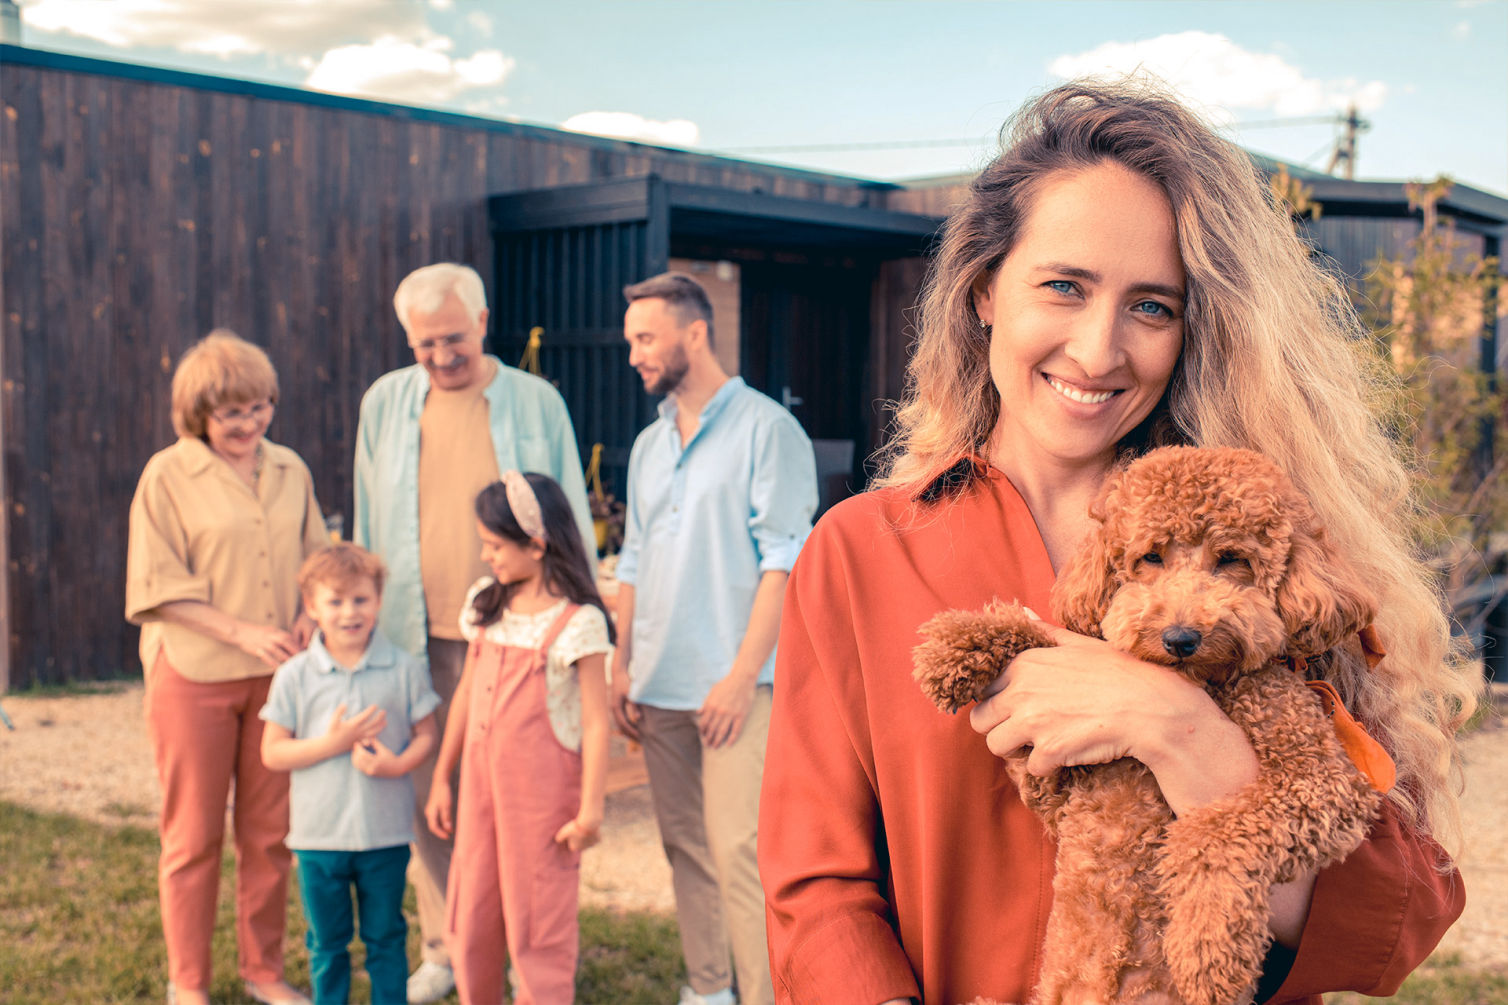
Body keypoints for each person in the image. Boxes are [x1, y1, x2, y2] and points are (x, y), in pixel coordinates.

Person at [758, 78, 1475, 1005]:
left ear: (1193, 329)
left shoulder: (1261, 551)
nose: (1099, 351)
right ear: (983, 291)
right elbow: (816, 890)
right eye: (1064, 286)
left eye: (1152, 306)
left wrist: (1183, 732)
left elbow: (1403, 917)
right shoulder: (858, 551)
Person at [353, 262, 596, 1003]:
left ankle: (531, 947)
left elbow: (568, 513)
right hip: (412, 629)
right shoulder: (385, 402)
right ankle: (448, 943)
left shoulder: (537, 399)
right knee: (437, 790)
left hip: (520, 632)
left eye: (452, 338)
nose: (439, 355)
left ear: (484, 321)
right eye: (424, 343)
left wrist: (584, 608)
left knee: (526, 802)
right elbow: (367, 512)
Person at [611, 272, 818, 1005]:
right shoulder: (647, 444)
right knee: (686, 848)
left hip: (740, 684)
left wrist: (740, 675)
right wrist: (619, 660)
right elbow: (633, 557)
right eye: (630, 337)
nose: (632, 352)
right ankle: (708, 989)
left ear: (692, 334)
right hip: (657, 680)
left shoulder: (769, 430)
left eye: (644, 337)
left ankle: (765, 995)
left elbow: (784, 561)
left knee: (740, 851)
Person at [125, 330, 328, 1005]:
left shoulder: (290, 469)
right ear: (198, 414)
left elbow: (315, 559)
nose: (248, 423)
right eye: (231, 412)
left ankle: (262, 969)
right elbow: (156, 585)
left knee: (270, 835)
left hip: (277, 680)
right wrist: (241, 630)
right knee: (193, 835)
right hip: (193, 673)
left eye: (259, 406)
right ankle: (188, 981)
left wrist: (311, 609)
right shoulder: (167, 475)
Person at [423, 472, 614, 1005]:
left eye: (495, 545)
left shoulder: (577, 623)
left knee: (539, 921)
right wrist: (443, 777)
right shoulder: (487, 604)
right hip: (480, 797)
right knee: (473, 909)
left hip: (542, 806)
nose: (486, 557)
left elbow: (597, 723)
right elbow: (465, 693)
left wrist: (591, 811)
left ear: (537, 543)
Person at [260, 543, 441, 1005]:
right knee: (327, 944)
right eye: (335, 601)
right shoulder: (295, 676)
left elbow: (427, 734)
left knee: (386, 938)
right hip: (319, 839)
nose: (349, 612)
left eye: (360, 599)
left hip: (384, 835)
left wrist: (395, 765)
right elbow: (273, 753)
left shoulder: (403, 669)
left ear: (379, 601)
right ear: (312, 607)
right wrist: (333, 744)